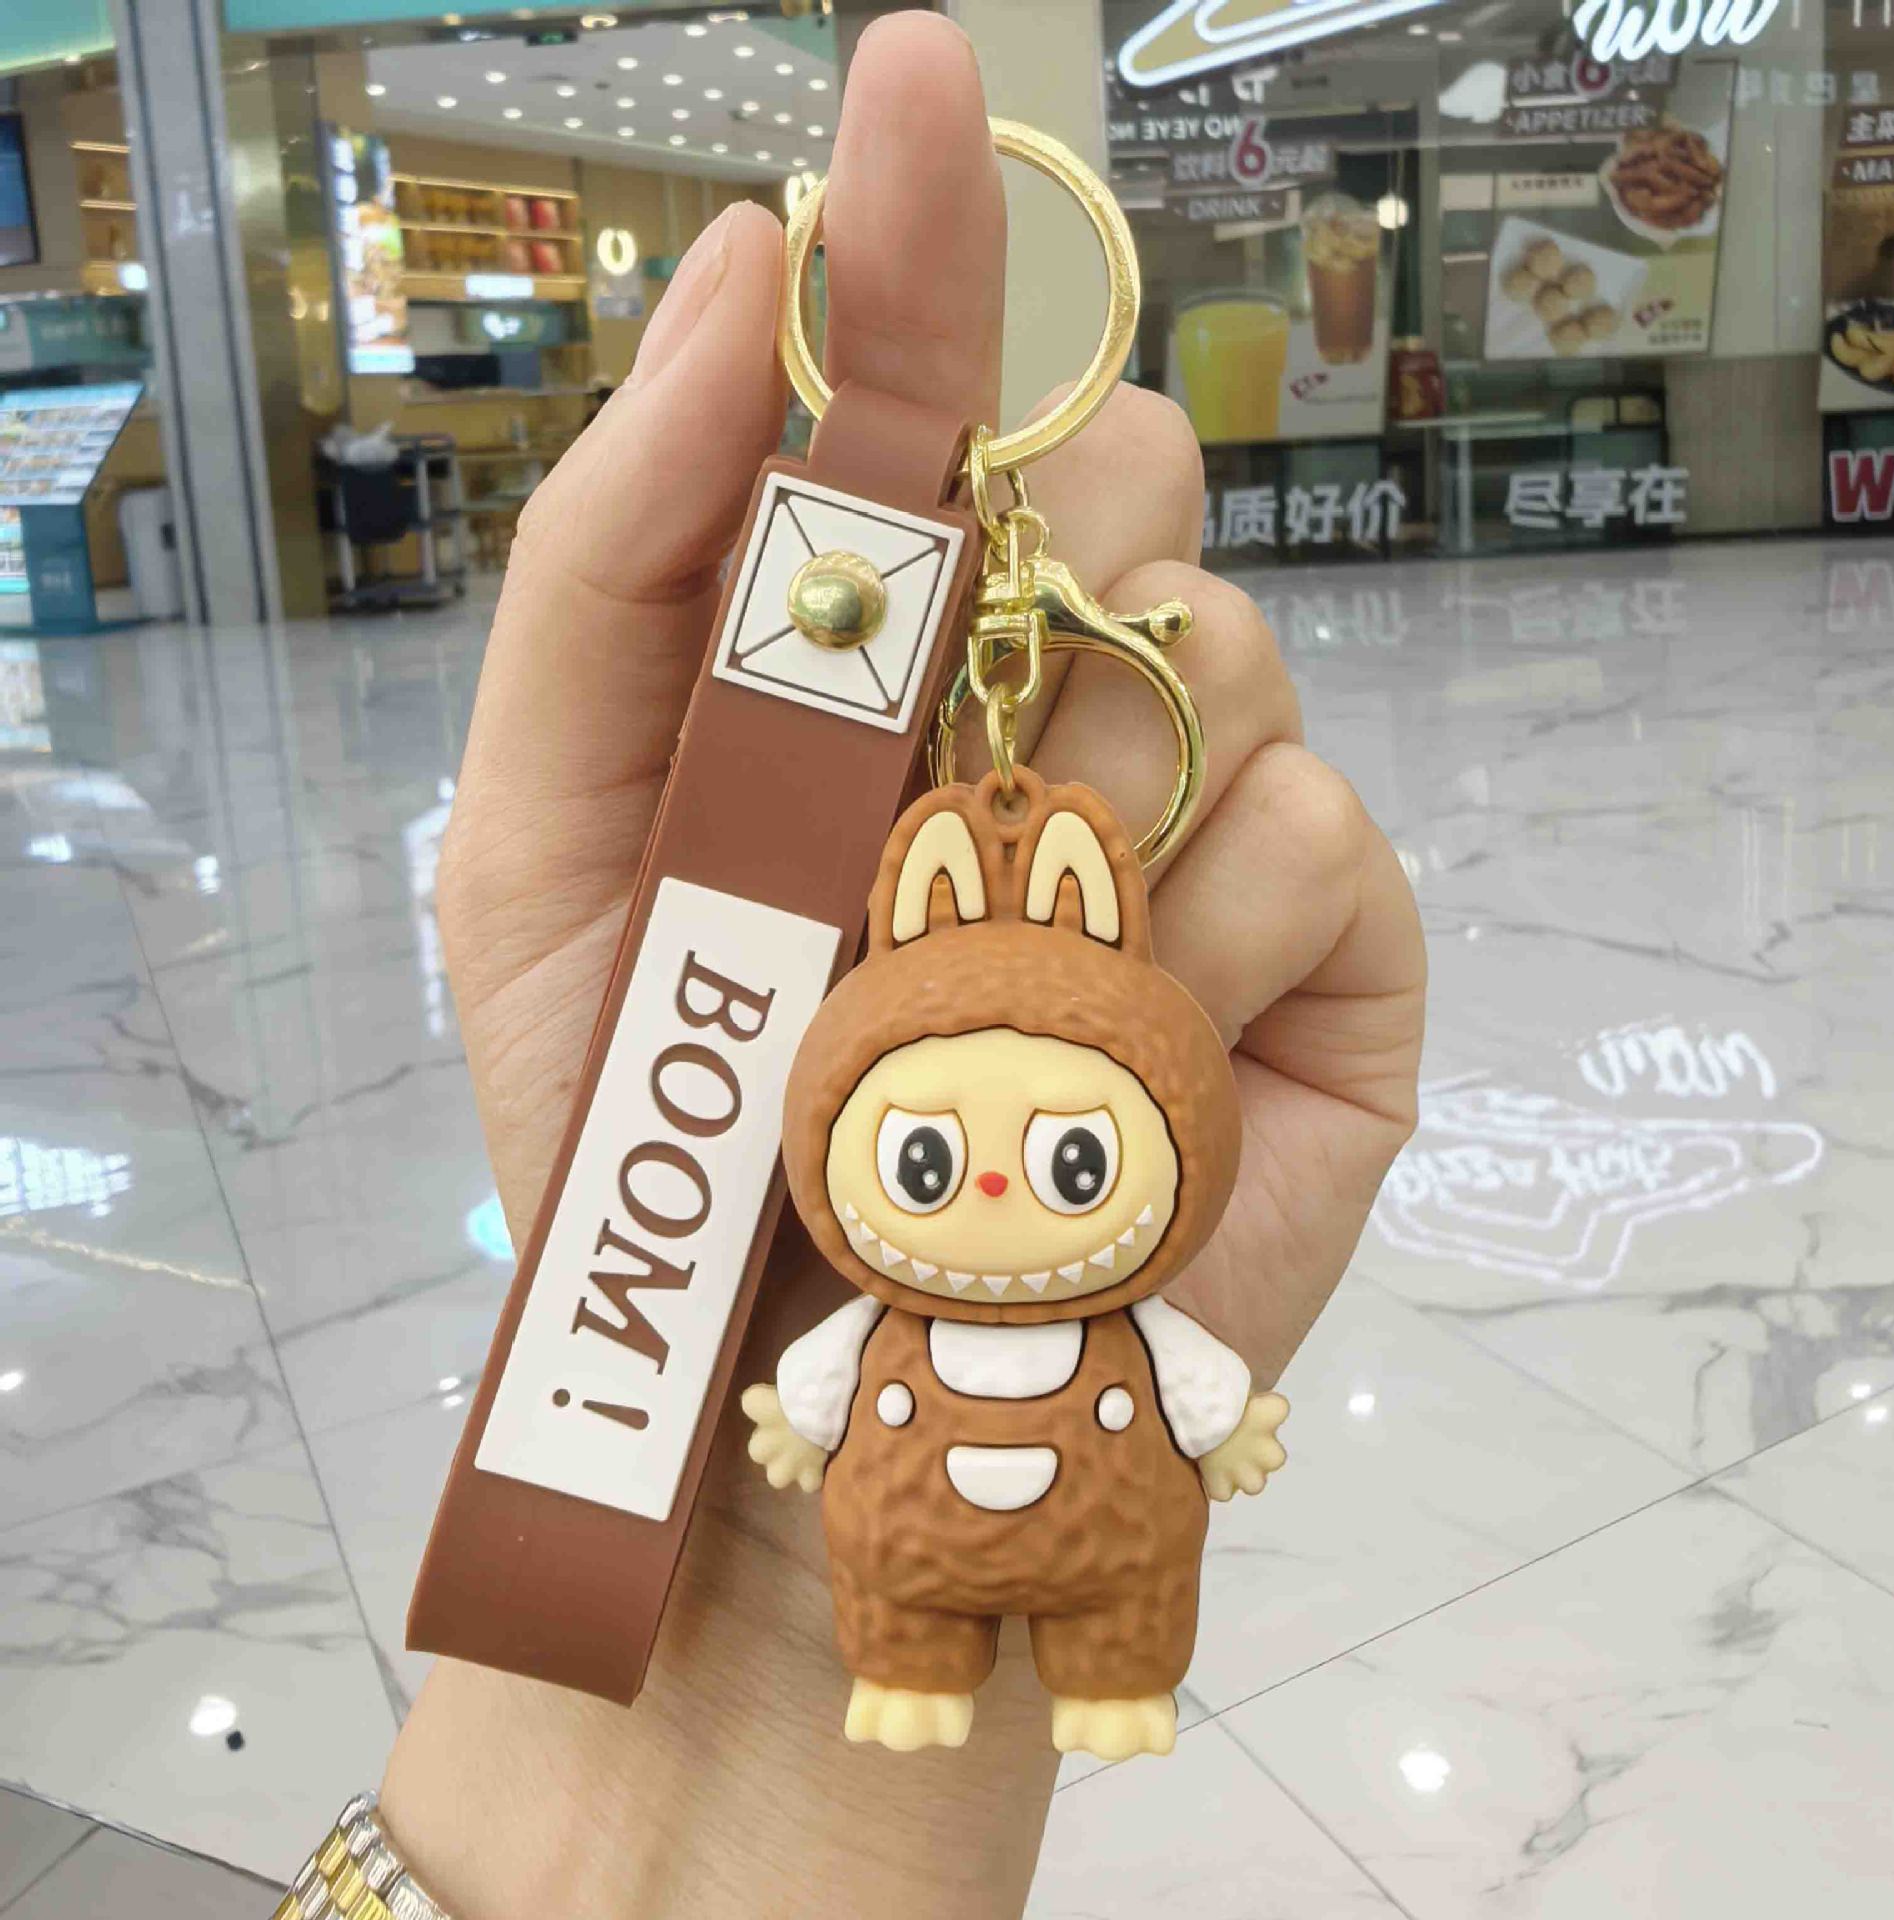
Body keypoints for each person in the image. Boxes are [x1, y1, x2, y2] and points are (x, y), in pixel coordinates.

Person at [373, 14, 1425, 1916]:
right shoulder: (846, 1223)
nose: (1003, 1191)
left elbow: (1157, 1377)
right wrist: (766, 1480)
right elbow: (830, 1369)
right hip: (838, 1504)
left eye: (1071, 1160)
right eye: (936, 1160)